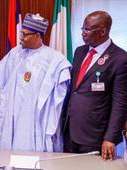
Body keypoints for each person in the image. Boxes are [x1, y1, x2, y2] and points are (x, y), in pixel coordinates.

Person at [0, 13, 71, 152]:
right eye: (21, 33)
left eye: (25, 34)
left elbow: (59, 99)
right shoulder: (14, 54)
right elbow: (1, 86)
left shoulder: (55, 60)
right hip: (10, 120)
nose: (20, 37)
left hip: (35, 123)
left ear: (37, 36)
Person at [64, 11, 127, 160]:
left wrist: (111, 137)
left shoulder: (120, 58)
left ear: (103, 31)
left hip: (95, 136)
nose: (83, 33)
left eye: (87, 29)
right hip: (70, 132)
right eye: (82, 29)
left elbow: (121, 103)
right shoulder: (80, 52)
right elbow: (76, 91)